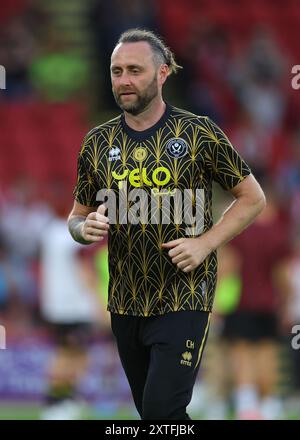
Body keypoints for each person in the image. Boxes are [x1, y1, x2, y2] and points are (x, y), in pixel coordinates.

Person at [68, 28, 266, 420]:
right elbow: (76, 216)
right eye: (116, 71)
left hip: (183, 297)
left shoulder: (199, 133)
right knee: (154, 415)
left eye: (135, 70)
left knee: (162, 409)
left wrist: (205, 243)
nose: (124, 80)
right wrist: (82, 228)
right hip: (124, 300)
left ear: (162, 74)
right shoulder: (96, 142)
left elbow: (253, 198)